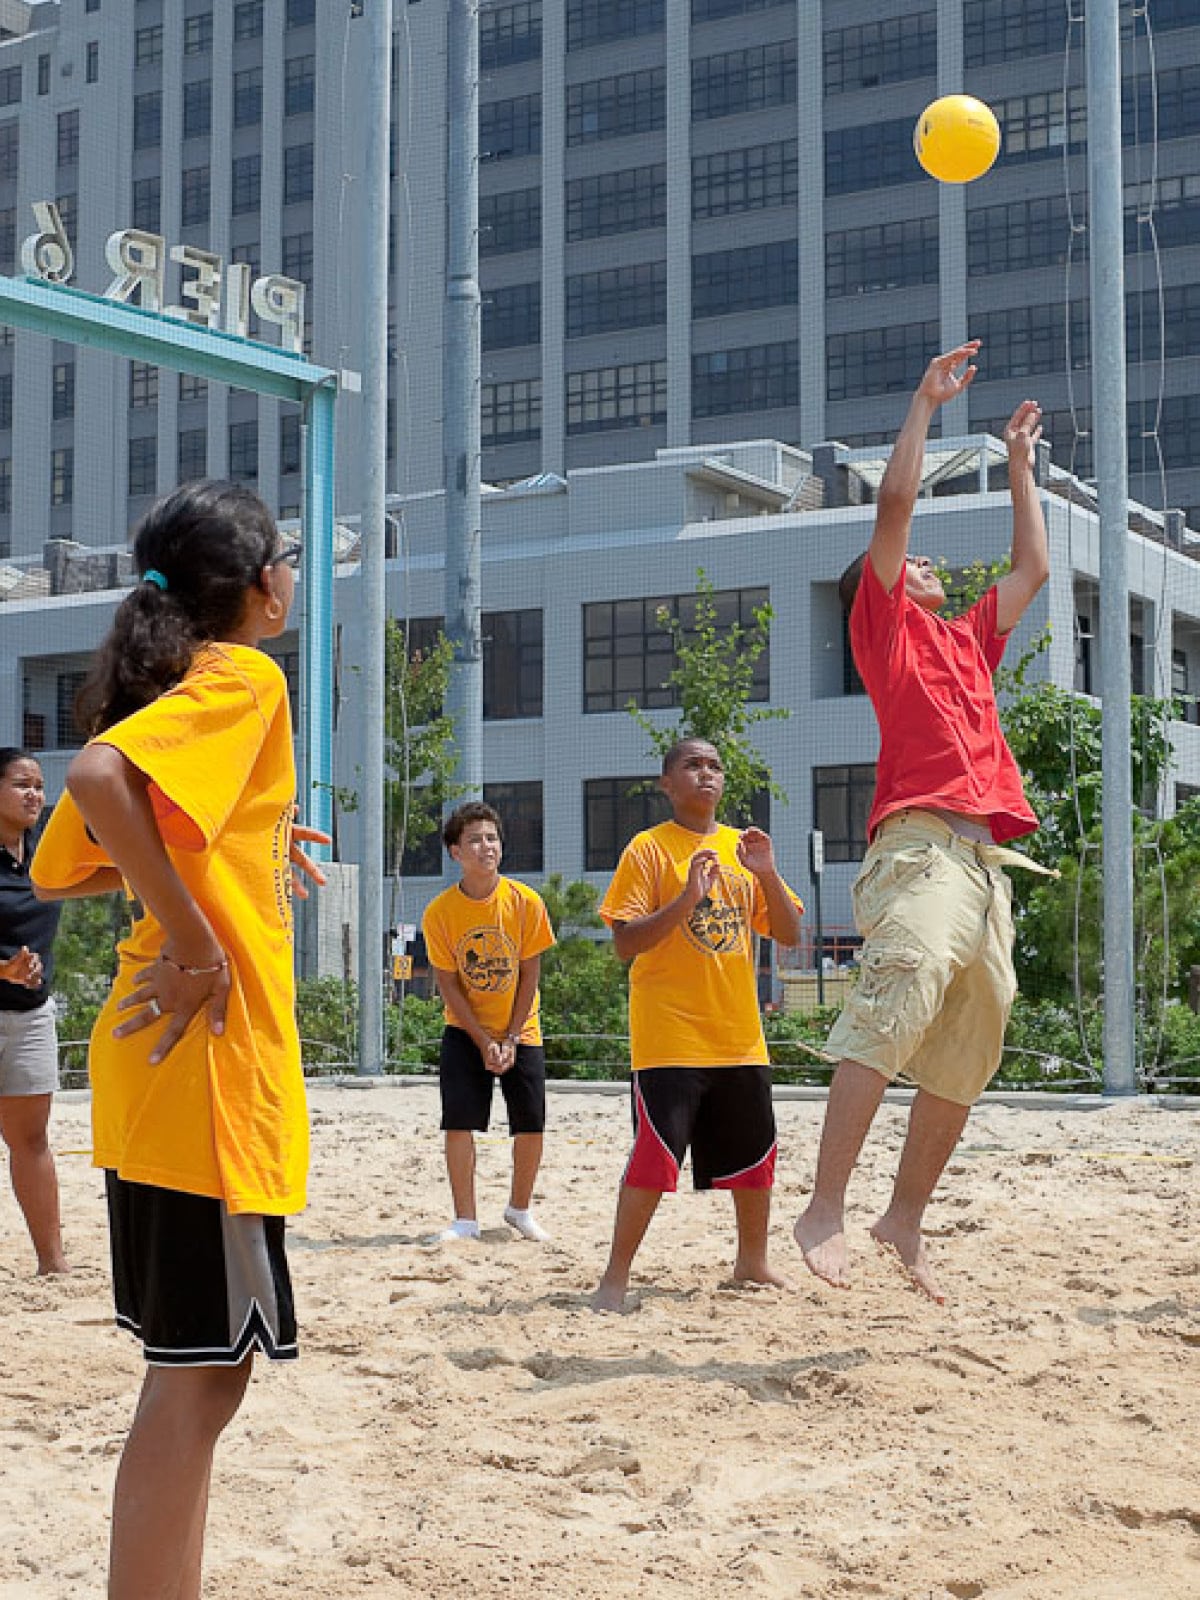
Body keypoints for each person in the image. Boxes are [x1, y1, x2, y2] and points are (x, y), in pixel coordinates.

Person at [32, 479, 327, 1600]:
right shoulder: (243, 673)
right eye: (287, 557)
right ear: (259, 586)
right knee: (201, 1377)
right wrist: (198, 936)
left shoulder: (175, 682)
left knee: (202, 1368)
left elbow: (65, 856)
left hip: (155, 1066)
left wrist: (216, 857)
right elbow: (98, 781)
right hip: (202, 1059)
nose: (293, 575)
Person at [793, 342, 1051, 1304]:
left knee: (973, 1041)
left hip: (983, 867)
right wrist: (924, 405)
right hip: (920, 850)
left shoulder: (969, 644)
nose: (929, 567)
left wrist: (1020, 465)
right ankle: (825, 1206)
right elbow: (893, 509)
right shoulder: (886, 629)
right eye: (912, 568)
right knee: (897, 999)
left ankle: (901, 1217)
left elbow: (1033, 564)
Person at [592, 738, 804, 1313]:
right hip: (670, 1037)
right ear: (667, 783)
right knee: (654, 1160)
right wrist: (688, 896)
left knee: (756, 1157)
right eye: (692, 765)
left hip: (738, 1035)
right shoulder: (648, 849)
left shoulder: (744, 847)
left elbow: (787, 934)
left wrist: (768, 873)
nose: (705, 774)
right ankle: (614, 1278)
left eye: (714, 766)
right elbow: (624, 943)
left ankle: (752, 1263)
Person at [422, 801, 556, 1243]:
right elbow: (448, 984)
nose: (487, 847)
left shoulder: (525, 902)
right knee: (459, 1122)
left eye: (492, 838)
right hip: (465, 1031)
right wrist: (482, 1040)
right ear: (456, 852)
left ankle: (519, 1209)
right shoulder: (440, 912)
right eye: (475, 839)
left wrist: (512, 1036)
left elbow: (530, 973)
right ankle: (465, 1220)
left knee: (531, 1123)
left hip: (522, 1027)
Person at [0, 749, 69, 1275]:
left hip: (29, 1015)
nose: (36, 795)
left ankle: (53, 1264)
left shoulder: (49, 850)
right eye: (23, 784)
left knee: (31, 1140)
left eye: (40, 786)